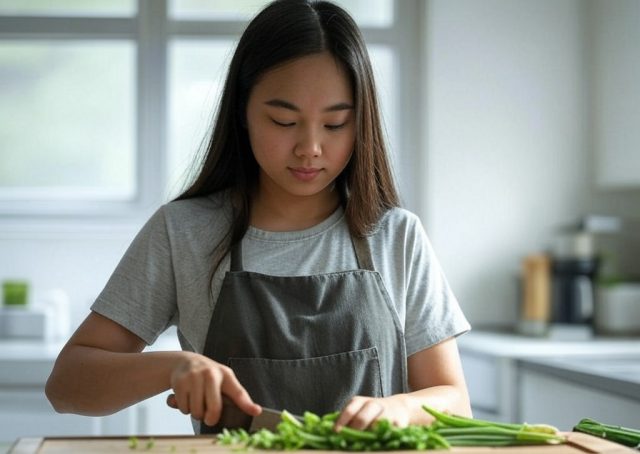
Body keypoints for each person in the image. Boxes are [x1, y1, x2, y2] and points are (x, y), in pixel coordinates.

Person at [46, 0, 472, 433]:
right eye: (284, 121)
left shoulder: (396, 235)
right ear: (243, 114)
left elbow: (454, 402)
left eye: (335, 124)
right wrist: (174, 367)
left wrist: (400, 408)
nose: (310, 147)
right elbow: (66, 385)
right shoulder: (185, 232)